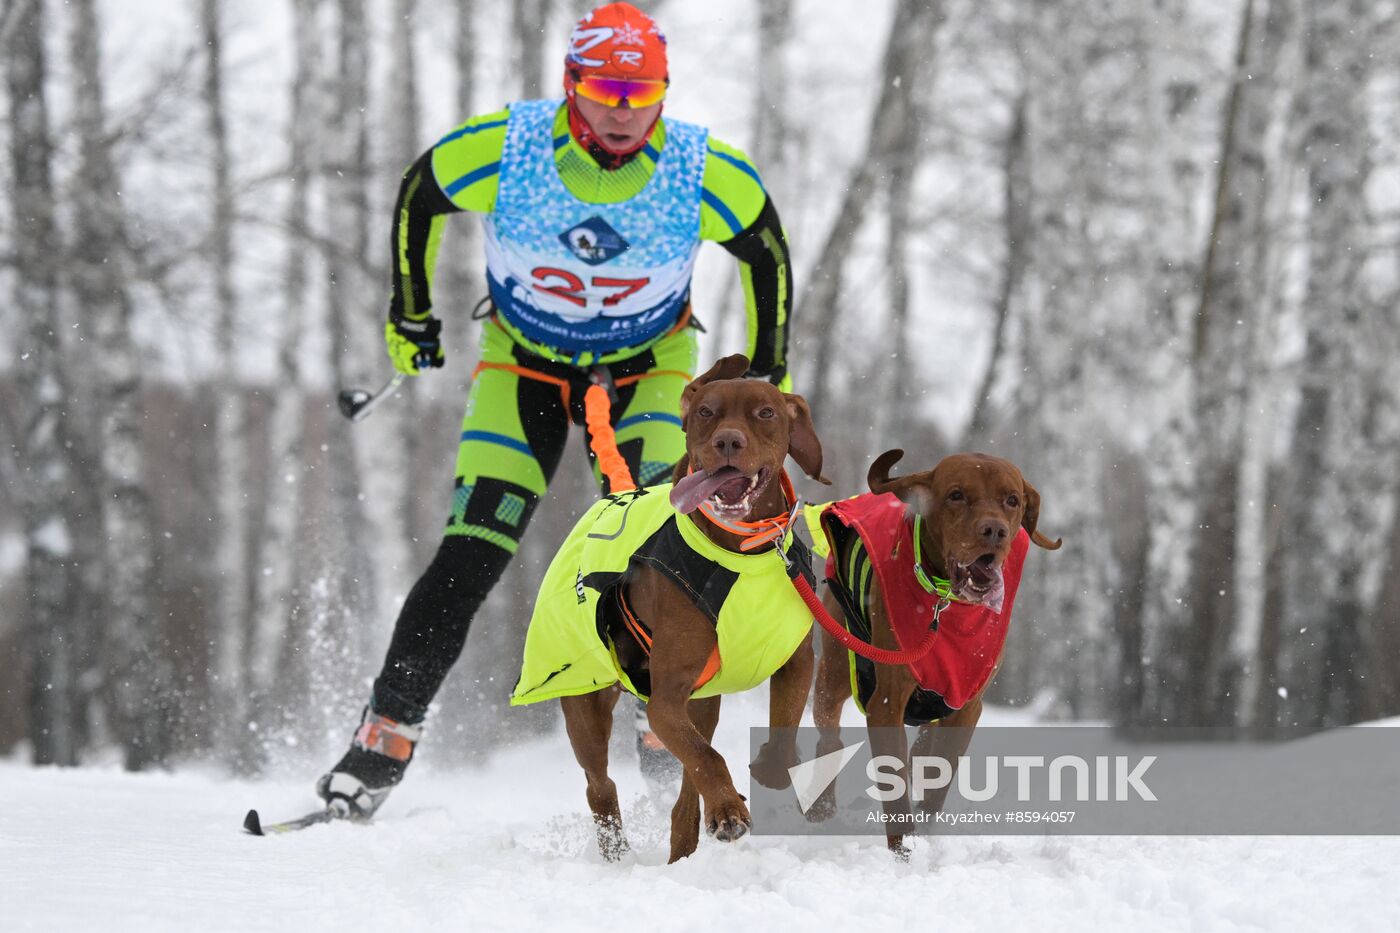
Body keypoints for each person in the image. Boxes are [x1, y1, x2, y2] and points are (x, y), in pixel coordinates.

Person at [316, 1, 795, 818]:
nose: (624, 111)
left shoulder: (700, 168)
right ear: (572, 84)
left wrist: (769, 368)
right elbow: (419, 194)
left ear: (664, 92)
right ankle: (383, 735)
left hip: (649, 369)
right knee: (473, 550)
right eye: (606, 90)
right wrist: (411, 313)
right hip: (524, 366)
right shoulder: (510, 148)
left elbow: (767, 252)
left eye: (642, 94)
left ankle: (662, 717)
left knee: (668, 539)